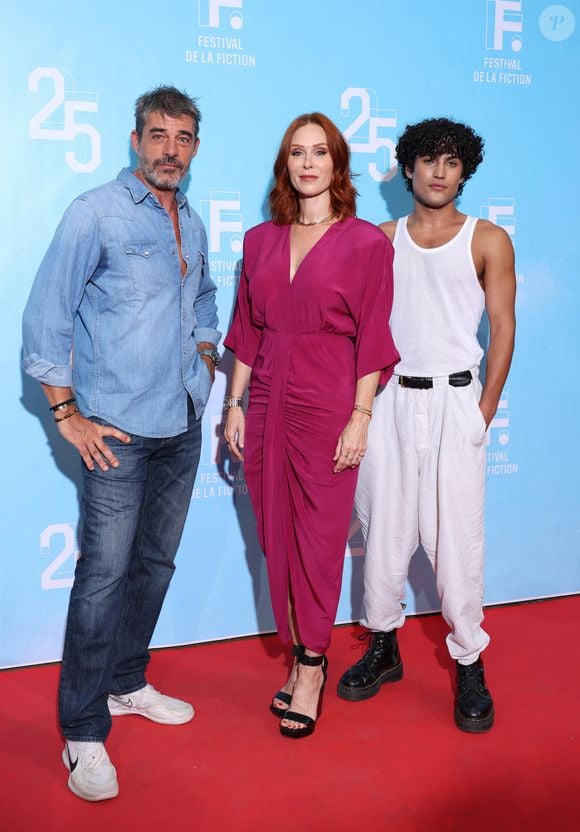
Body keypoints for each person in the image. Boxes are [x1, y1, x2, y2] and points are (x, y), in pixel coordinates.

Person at [22, 85, 220, 800]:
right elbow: (46, 317)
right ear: (135, 140)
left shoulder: (190, 222)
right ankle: (82, 731)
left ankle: (126, 682)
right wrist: (66, 412)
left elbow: (204, 299)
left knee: (156, 564)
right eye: (159, 135)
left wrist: (203, 360)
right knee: (103, 578)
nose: (172, 148)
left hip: (182, 423)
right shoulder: (94, 213)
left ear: (196, 147)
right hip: (118, 432)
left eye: (185, 136)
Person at [223, 113, 399, 739]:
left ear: (337, 164)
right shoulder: (258, 240)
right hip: (266, 401)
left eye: (319, 152)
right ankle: (300, 652)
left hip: (329, 407)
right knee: (275, 538)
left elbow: (374, 339)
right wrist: (234, 405)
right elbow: (246, 330)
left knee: (320, 542)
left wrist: (361, 416)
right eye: (296, 152)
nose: (306, 163)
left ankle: (313, 666)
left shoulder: (367, 245)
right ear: (285, 165)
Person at [338, 117, 516, 732]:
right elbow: (358, 329)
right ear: (408, 167)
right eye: (428, 160)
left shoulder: (487, 239)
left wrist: (484, 409)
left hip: (454, 403)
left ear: (465, 170)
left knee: (457, 544)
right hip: (389, 402)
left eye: (451, 161)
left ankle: (469, 661)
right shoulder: (382, 239)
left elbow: (503, 326)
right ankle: (383, 644)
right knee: (383, 532)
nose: (439, 171)